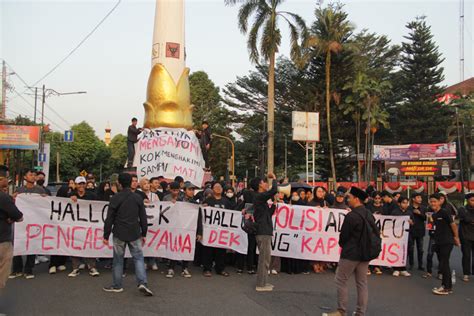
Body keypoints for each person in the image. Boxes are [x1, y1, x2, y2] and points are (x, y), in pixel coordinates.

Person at [323, 187, 378, 316]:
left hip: (350, 254)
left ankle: (341, 310)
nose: (348, 199)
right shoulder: (369, 214)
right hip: (365, 254)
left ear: (356, 199)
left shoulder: (351, 216)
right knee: (362, 283)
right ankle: (360, 312)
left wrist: (345, 246)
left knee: (341, 279)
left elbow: (344, 237)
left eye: (350, 197)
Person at [103, 173, 152, 296]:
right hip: (135, 232)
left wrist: (106, 235)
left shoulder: (115, 198)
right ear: (131, 182)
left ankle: (117, 285)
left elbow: (109, 219)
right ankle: (142, 283)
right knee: (138, 258)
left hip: (119, 233)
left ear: (119, 183)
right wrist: (144, 233)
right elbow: (143, 218)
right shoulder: (137, 198)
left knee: (118, 260)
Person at [10, 169, 46, 280]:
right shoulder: (19, 190)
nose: (33, 176)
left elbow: (46, 205)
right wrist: (14, 197)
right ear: (25, 177)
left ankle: (28, 269)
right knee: (17, 243)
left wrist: (45, 199)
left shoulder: (40, 190)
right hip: (21, 221)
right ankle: (17, 269)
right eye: (31, 174)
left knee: (32, 244)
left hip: (34, 222)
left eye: (34, 175)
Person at [67, 176, 100, 278]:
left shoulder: (92, 196)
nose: (81, 186)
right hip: (75, 226)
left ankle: (92, 267)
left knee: (90, 244)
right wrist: (70, 199)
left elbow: (99, 206)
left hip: (89, 225)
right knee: (75, 245)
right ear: (75, 185)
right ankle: (75, 268)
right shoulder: (71, 195)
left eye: (83, 184)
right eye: (79, 184)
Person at [250, 172, 277, 292]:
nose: (266, 184)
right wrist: (274, 179)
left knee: (265, 258)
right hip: (263, 231)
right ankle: (261, 284)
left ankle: (263, 281)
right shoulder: (258, 196)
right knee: (264, 259)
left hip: (265, 230)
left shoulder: (260, 199)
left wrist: (274, 205)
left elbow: (268, 215)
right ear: (260, 185)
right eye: (264, 182)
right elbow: (273, 190)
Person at [429, 193, 460, 295]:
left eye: (435, 201)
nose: (433, 203)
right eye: (431, 201)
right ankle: (446, 286)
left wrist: (456, 237)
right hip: (438, 242)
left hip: (447, 241)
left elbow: (453, 225)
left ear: (439, 202)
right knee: (442, 263)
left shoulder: (445, 212)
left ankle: (446, 287)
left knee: (444, 263)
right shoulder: (433, 215)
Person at [201, 182, 232, 277]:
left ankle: (220, 269)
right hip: (210, 231)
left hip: (221, 232)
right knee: (208, 250)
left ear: (222, 189)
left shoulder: (226, 201)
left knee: (221, 251)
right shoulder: (208, 200)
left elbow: (231, 214)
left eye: (220, 187)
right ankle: (207, 269)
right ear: (212, 189)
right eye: (216, 187)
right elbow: (202, 213)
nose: (218, 188)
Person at [0, 166, 23, 289]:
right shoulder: (3, 197)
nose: (7, 182)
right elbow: (18, 216)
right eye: (7, 178)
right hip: (2, 241)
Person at [391, 197, 413, 277]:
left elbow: (413, 224)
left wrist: (411, 223)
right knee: (396, 251)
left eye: (407, 203)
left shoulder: (409, 213)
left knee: (405, 252)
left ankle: (403, 269)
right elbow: (391, 223)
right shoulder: (395, 212)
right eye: (404, 202)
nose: (405, 204)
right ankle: (396, 269)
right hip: (397, 235)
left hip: (407, 235)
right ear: (399, 203)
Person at [458, 192, 474, 282]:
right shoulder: (462, 209)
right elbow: (467, 219)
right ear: (467, 201)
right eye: (472, 200)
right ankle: (466, 273)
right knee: (466, 255)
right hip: (465, 236)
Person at [408, 193, 426, 271]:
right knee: (411, 249)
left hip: (420, 231)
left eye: (420, 197)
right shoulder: (409, 208)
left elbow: (427, 218)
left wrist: (420, 214)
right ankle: (411, 264)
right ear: (413, 199)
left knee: (420, 249)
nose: (420, 199)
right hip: (411, 231)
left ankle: (420, 265)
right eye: (418, 197)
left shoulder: (424, 208)